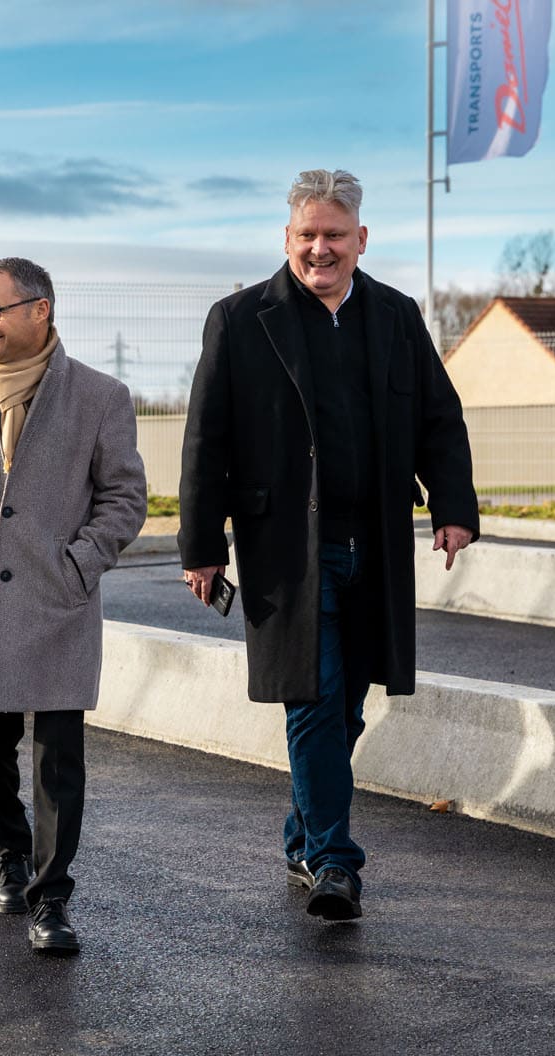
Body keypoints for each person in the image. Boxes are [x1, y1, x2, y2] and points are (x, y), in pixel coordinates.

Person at [178, 169, 479, 921]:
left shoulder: (397, 316)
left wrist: (453, 507)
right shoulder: (241, 318)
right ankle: (334, 859)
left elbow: (441, 419)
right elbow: (205, 438)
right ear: (287, 239)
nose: (320, 249)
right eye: (307, 235)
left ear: (361, 239)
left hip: (373, 545)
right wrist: (200, 544)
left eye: (334, 236)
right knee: (310, 700)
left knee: (344, 708)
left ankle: (301, 831)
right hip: (284, 551)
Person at [0, 257, 147, 955]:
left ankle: (52, 895)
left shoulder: (100, 396)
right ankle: (9, 855)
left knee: (57, 760)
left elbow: (125, 496)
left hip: (59, 603)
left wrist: (80, 565)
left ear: (40, 310)